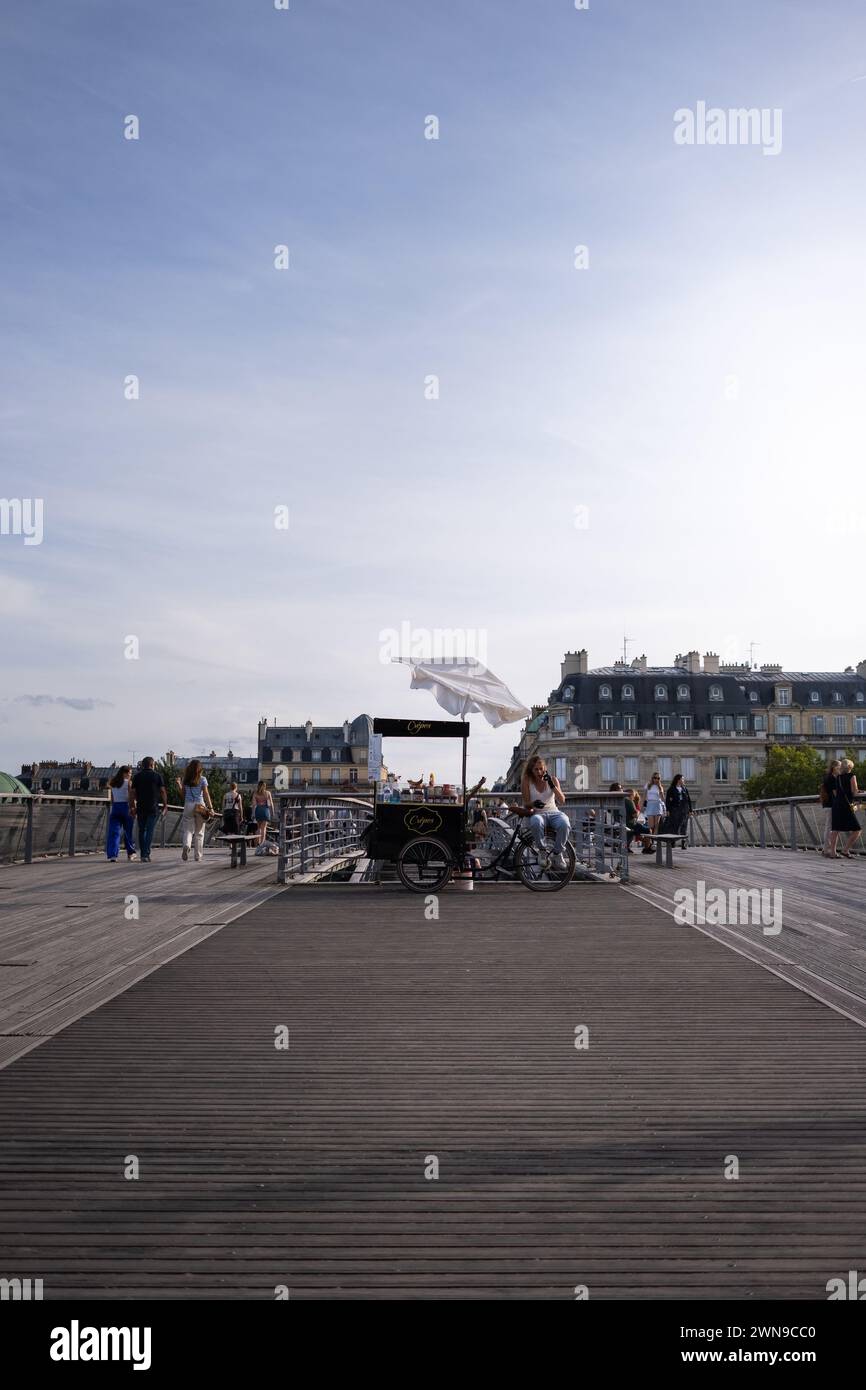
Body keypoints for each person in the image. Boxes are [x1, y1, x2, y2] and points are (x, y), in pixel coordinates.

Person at [513, 755, 570, 867]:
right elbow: (526, 803)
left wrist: (552, 785)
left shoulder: (553, 779)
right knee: (535, 822)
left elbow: (562, 800)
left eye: (541, 769)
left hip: (554, 812)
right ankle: (542, 851)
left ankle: (557, 853)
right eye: (536, 769)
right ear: (531, 770)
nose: (539, 772)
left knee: (565, 823)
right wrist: (533, 804)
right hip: (538, 813)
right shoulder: (526, 781)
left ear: (545, 769)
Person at [175, 759, 214, 863]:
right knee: (199, 833)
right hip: (199, 806)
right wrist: (210, 808)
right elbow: (206, 794)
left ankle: (186, 845)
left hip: (188, 805)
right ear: (200, 769)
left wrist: (179, 784)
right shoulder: (202, 779)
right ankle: (198, 856)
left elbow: (183, 795)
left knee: (188, 830)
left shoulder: (186, 780)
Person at [130, 756, 167, 863]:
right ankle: (146, 854)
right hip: (153, 807)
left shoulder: (137, 776)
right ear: (152, 765)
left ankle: (143, 854)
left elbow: (132, 792)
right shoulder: (157, 776)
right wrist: (165, 805)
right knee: (150, 830)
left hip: (141, 807)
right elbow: (163, 791)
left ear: (143, 765)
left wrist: (132, 806)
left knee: (142, 830)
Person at [828, 758, 861, 859]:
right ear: (850, 767)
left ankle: (833, 853)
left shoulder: (838, 777)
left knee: (835, 829)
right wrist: (860, 792)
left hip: (837, 805)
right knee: (857, 830)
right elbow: (854, 792)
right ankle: (845, 850)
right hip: (846, 806)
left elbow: (840, 792)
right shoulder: (852, 776)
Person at [106, 766, 136, 862]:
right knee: (128, 832)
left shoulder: (113, 783)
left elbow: (112, 799)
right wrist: (133, 808)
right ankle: (130, 853)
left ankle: (113, 855)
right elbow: (131, 797)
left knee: (114, 832)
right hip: (126, 807)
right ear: (124, 773)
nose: (130, 775)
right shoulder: (128, 783)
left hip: (115, 808)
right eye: (130, 773)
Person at [820, 760, 841, 856]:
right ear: (834, 767)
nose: (840, 768)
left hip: (827, 804)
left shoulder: (827, 777)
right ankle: (826, 849)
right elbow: (835, 793)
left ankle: (826, 849)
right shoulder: (832, 778)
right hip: (831, 805)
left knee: (828, 827)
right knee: (830, 828)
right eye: (839, 766)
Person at [666, 774, 692, 841]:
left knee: (684, 825)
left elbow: (688, 800)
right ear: (678, 780)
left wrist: (690, 810)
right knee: (675, 826)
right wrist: (668, 810)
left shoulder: (685, 789)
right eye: (682, 779)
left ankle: (683, 842)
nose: (683, 780)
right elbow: (668, 801)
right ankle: (673, 841)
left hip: (684, 810)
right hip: (675, 810)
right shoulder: (671, 789)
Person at [251, 780, 275, 846]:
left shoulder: (255, 793)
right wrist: (272, 812)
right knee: (264, 828)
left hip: (258, 810)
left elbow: (253, 805)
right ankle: (262, 843)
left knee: (258, 828)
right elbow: (271, 804)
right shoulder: (268, 793)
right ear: (265, 786)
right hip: (265, 810)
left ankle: (257, 842)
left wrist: (253, 814)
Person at [644, 772, 666, 838]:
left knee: (656, 825)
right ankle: (651, 841)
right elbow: (644, 797)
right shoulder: (648, 785)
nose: (656, 779)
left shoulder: (660, 787)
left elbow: (662, 799)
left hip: (657, 804)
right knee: (651, 825)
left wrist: (660, 790)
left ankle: (655, 842)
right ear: (652, 778)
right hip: (650, 804)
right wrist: (640, 807)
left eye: (658, 778)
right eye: (655, 778)